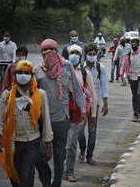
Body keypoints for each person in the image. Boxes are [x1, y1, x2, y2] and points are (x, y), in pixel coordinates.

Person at [35, 39, 87, 187]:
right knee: (40, 155)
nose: (48, 52)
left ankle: (57, 181)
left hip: (61, 119)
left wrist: (83, 110)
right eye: (45, 50)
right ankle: (46, 180)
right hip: (42, 121)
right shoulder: (37, 70)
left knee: (59, 154)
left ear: (57, 50)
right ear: (41, 52)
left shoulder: (67, 67)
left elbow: (77, 90)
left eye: (51, 49)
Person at [0, 60, 53, 187]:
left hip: (32, 142)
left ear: (31, 75)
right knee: (14, 177)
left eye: (26, 72)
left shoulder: (40, 95)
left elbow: (46, 120)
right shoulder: (7, 94)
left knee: (27, 177)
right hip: (13, 143)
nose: (23, 75)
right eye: (19, 72)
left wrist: (48, 144)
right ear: (14, 75)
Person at [64, 44, 97, 182]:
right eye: (72, 52)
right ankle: (61, 168)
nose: (75, 55)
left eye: (77, 53)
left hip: (78, 113)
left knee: (72, 143)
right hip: (62, 112)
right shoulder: (61, 71)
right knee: (61, 144)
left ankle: (69, 171)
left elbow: (92, 95)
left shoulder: (85, 73)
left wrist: (93, 115)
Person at [78, 44, 109, 165]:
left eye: (93, 54)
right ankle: (82, 149)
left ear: (96, 55)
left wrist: (105, 103)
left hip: (94, 105)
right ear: (86, 55)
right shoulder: (80, 68)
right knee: (79, 131)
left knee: (92, 131)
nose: (91, 56)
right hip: (81, 105)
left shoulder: (100, 68)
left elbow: (104, 86)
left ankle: (89, 156)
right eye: (89, 54)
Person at [120, 37, 140, 122]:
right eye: (132, 44)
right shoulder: (128, 55)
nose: (134, 45)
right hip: (132, 77)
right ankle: (135, 113)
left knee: (139, 94)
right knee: (134, 96)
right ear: (130, 45)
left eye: (135, 44)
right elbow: (126, 67)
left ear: (138, 45)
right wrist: (125, 77)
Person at [0, 31, 17, 101]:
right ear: (3, 37)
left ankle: (11, 88)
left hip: (9, 63)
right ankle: (0, 87)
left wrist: (14, 61)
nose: (6, 38)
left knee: (11, 77)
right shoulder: (0, 44)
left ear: (9, 37)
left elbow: (14, 54)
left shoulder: (13, 45)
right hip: (2, 63)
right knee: (0, 77)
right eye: (5, 36)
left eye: (7, 36)